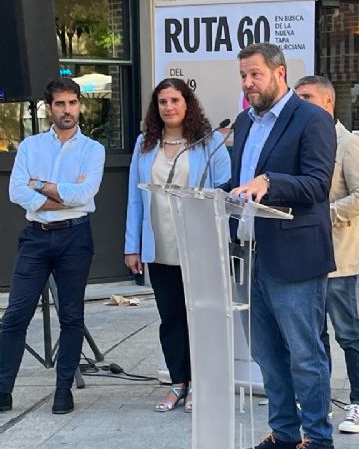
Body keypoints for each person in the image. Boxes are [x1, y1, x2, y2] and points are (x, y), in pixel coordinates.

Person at [224, 43, 336, 449]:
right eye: (243, 76)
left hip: (294, 259)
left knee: (305, 356)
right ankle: (285, 433)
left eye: (254, 74)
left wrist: (270, 183)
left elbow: (317, 184)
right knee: (268, 357)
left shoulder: (310, 119)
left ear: (280, 73)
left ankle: (319, 439)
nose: (248, 83)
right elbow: (243, 183)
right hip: (248, 257)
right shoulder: (243, 122)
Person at [124, 77, 230, 413]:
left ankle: (201, 383)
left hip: (199, 246)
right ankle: (177, 383)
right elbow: (134, 200)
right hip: (160, 246)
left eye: (175, 100)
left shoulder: (209, 142)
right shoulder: (144, 144)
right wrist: (132, 247)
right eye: (163, 102)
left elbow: (225, 193)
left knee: (200, 317)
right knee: (170, 318)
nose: (169, 107)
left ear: (188, 103)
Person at [0, 77, 105, 414]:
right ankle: (3, 390)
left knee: (71, 316)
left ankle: (63, 391)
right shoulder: (31, 147)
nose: (67, 110)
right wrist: (59, 195)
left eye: (72, 103)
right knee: (15, 315)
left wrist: (40, 186)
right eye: (60, 104)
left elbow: (83, 195)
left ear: (79, 105)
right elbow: (17, 191)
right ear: (49, 108)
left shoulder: (94, 150)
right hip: (35, 236)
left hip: (75, 237)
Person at [294, 75, 359, 434]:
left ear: (329, 102)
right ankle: (319, 401)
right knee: (313, 335)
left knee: (347, 331)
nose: (300, 103)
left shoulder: (349, 144)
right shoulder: (298, 139)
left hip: (339, 255)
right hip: (303, 254)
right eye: (297, 98)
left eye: (307, 97)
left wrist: (322, 215)